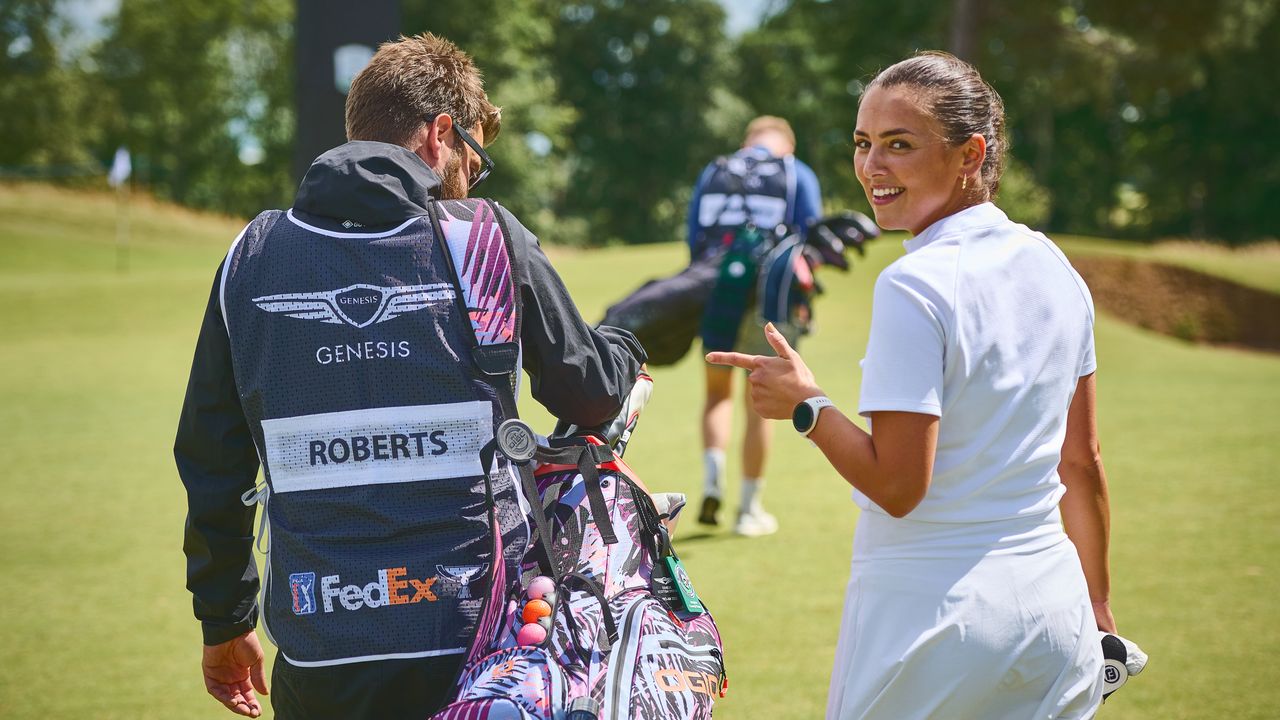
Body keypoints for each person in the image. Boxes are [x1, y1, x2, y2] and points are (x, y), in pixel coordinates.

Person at [174, 33, 645, 719]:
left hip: (320, 647)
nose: (469, 183)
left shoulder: (252, 255)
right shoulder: (482, 236)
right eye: (474, 162)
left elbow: (212, 460)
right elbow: (592, 391)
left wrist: (223, 619)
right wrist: (627, 341)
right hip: (481, 642)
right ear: (441, 134)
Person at [709, 51, 1115, 718]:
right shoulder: (1054, 264)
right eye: (864, 144)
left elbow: (899, 486)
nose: (872, 167)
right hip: (1056, 612)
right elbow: (1084, 462)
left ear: (970, 155)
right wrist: (1097, 606)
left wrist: (807, 406)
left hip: (932, 622)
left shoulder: (914, 283)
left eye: (900, 144)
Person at [689, 116, 824, 536]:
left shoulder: (716, 169)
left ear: (748, 143)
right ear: (787, 145)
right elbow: (813, 240)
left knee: (716, 394)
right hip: (769, 301)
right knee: (759, 405)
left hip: (715, 290)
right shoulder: (795, 172)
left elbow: (694, 236)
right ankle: (749, 510)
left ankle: (713, 477)